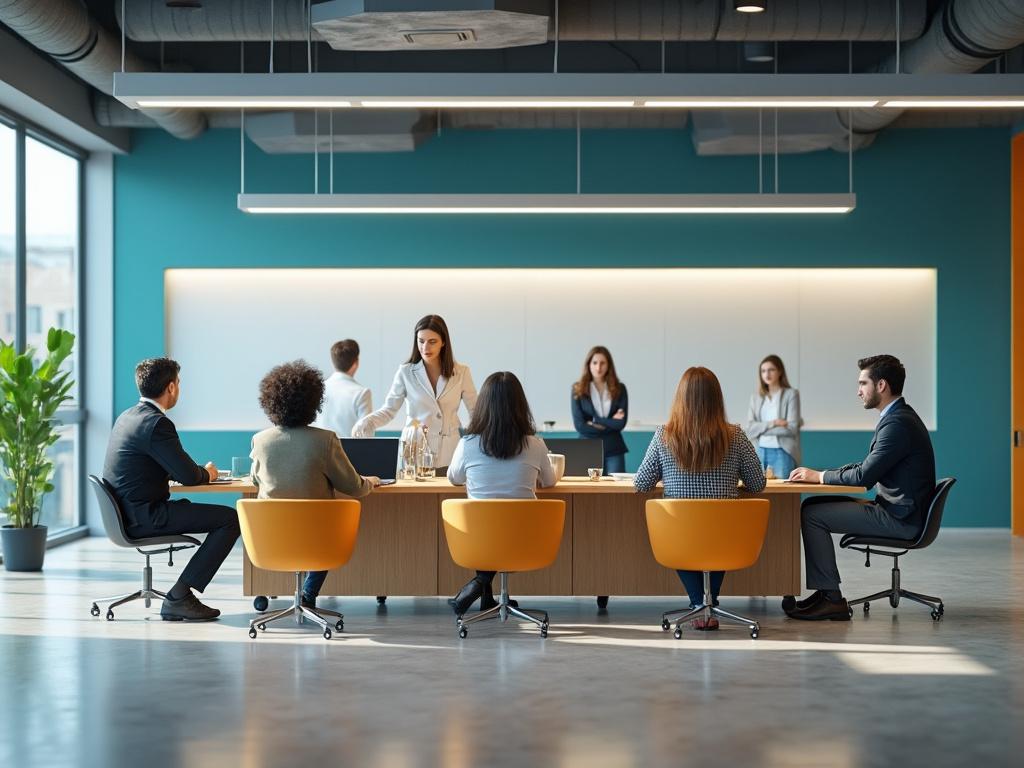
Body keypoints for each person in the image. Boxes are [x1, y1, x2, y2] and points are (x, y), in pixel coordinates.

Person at [786, 355, 935, 621]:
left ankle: (832, 599)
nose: (858, 391)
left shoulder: (897, 424)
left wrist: (819, 476)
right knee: (811, 505)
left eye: (863, 383)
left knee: (812, 515)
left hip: (900, 519)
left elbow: (864, 477)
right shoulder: (899, 417)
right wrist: (821, 475)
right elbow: (867, 466)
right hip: (898, 511)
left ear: (881, 386)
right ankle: (825, 592)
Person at [102, 358, 240, 622]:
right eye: (178, 383)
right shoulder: (157, 424)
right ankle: (180, 596)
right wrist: (208, 473)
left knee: (218, 516)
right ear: (171, 388)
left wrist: (188, 471)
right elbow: (188, 476)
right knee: (230, 519)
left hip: (126, 513)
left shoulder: (127, 417)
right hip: (146, 515)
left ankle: (181, 596)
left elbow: (167, 467)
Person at [633, 367, 766, 630]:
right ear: (717, 398)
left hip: (678, 537)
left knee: (687, 536)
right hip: (725, 537)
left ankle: (698, 604)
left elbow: (641, 483)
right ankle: (709, 603)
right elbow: (757, 483)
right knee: (715, 534)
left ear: (680, 398)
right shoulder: (735, 435)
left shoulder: (664, 435)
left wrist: (672, 475)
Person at [249, 361, 379, 608]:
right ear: (314, 402)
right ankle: (308, 595)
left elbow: (256, 480)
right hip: (318, 540)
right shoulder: (325, 440)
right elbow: (353, 487)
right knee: (326, 526)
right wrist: (369, 482)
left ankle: (300, 595)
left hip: (272, 538)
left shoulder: (260, 441)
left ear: (270, 401)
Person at [446, 371, 557, 616]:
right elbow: (549, 482)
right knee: (504, 525)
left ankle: (481, 583)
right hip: (524, 541)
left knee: (489, 523)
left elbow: (454, 478)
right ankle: (485, 592)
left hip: (478, 541)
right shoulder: (535, 444)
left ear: (483, 406)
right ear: (521, 406)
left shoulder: (468, 444)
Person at [353, 314, 476, 471]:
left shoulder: (461, 372)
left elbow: (475, 412)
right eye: (421, 341)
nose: (425, 348)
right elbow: (389, 410)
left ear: (443, 342)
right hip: (415, 452)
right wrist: (366, 422)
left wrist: (471, 443)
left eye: (432, 342)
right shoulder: (406, 372)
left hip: (450, 453)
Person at [570, 346, 629, 474]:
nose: (598, 367)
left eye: (602, 363)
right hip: (587, 448)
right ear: (588, 364)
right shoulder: (578, 389)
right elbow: (580, 425)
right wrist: (610, 422)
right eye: (595, 363)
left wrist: (596, 420)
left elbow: (620, 423)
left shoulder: (620, 389)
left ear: (609, 365)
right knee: (587, 491)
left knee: (616, 491)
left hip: (614, 449)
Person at [744, 354, 802, 480]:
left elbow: (791, 428)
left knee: (784, 495)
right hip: (759, 451)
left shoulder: (791, 394)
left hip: (782, 452)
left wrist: (761, 429)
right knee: (760, 493)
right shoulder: (756, 397)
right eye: (763, 371)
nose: (767, 374)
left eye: (771, 370)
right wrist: (774, 423)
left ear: (780, 371)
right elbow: (750, 429)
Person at [315, 339, 373, 438]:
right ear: (356, 363)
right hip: (349, 453)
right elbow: (366, 436)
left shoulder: (318, 389)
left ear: (333, 361)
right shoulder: (362, 393)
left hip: (319, 451)